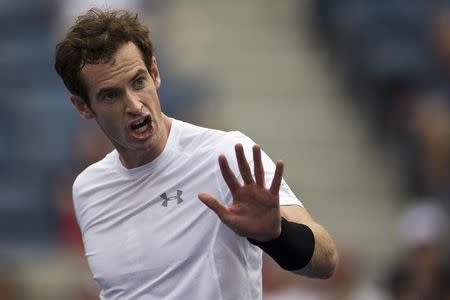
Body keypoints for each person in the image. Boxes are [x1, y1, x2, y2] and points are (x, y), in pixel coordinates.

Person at [54, 8, 338, 299]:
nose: (135, 105)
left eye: (139, 82)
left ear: (155, 73)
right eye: (111, 95)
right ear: (83, 106)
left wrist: (278, 236)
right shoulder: (87, 189)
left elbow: (326, 259)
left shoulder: (225, 155)